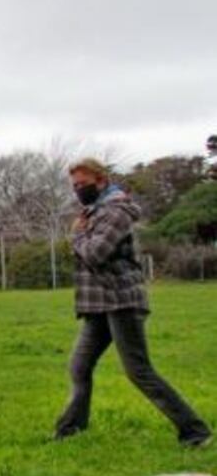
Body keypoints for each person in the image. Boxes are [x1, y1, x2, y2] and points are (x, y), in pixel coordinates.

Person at [53, 158, 212, 447]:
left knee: (138, 371)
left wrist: (76, 235)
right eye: (74, 186)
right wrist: (81, 234)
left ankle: (195, 430)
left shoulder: (116, 212)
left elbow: (95, 254)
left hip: (121, 300)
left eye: (83, 184)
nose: (78, 190)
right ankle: (71, 428)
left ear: (101, 181)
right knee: (79, 367)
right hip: (99, 304)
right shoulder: (94, 211)